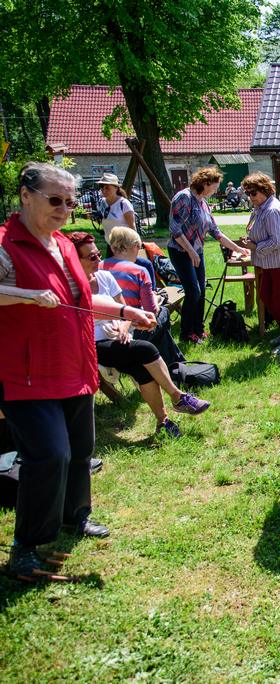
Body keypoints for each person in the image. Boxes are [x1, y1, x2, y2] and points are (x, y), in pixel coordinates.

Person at [0, 162, 156, 578]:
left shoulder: (64, 245)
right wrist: (25, 295)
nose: (64, 209)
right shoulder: (5, 244)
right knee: (49, 455)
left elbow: (82, 300)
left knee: (80, 452)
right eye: (55, 200)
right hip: (27, 375)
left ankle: (76, 515)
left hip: (75, 364)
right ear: (26, 196)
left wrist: (127, 310)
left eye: (69, 202)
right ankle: (26, 547)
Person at [72, 233, 210, 438]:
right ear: (75, 260)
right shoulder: (71, 288)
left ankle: (163, 422)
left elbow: (124, 309)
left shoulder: (104, 276)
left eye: (98, 254)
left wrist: (123, 328)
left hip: (117, 339)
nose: (99, 260)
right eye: (92, 257)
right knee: (145, 349)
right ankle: (177, 396)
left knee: (141, 369)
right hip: (90, 345)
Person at [167, 168, 249, 345]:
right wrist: (190, 251)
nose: (216, 190)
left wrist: (237, 248)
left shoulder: (203, 202)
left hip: (197, 251)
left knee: (202, 291)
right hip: (181, 251)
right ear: (205, 183)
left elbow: (215, 231)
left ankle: (198, 329)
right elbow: (175, 229)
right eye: (214, 186)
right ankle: (186, 333)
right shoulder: (184, 198)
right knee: (193, 291)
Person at [240, 172, 280, 354]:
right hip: (270, 263)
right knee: (266, 296)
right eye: (248, 193)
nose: (250, 197)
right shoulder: (260, 208)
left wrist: (254, 246)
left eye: (253, 193)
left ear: (264, 190)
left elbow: (277, 241)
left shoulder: (272, 210)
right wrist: (250, 239)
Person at [102, 227, 159, 313]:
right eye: (139, 247)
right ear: (135, 246)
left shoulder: (97, 267)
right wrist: (155, 299)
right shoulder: (140, 272)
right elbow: (151, 310)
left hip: (104, 319)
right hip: (133, 320)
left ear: (112, 247)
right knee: (164, 312)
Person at [97, 172, 137, 242]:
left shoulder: (124, 203)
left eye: (107, 188)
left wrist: (135, 243)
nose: (104, 190)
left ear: (116, 188)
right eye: (102, 187)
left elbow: (132, 226)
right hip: (111, 244)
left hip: (125, 245)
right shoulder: (102, 202)